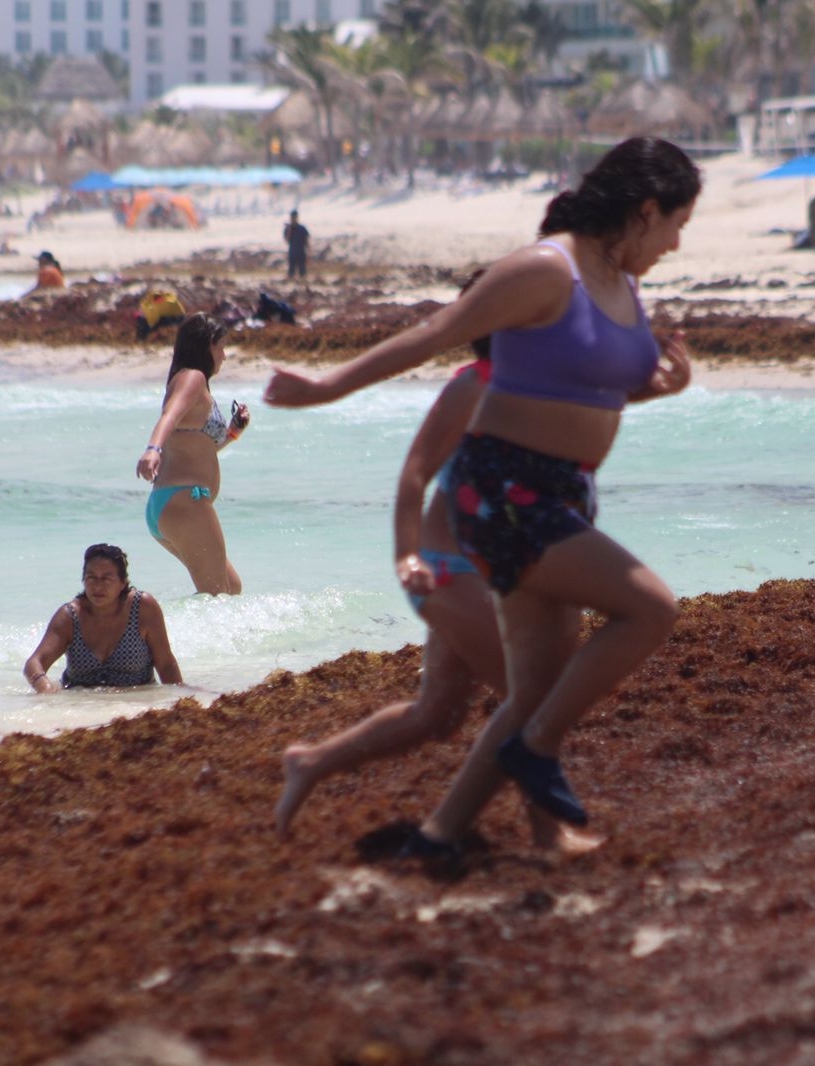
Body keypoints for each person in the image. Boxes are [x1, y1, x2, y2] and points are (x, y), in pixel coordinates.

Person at [265, 136, 699, 856]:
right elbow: (437, 332)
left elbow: (588, 389)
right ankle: (537, 751)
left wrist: (659, 387)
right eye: (677, 224)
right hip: (502, 493)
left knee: (528, 689)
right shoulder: (544, 269)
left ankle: (441, 835)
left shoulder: (623, 283)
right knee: (650, 607)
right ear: (646, 210)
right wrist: (324, 387)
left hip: (566, 494)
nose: (678, 243)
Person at [274, 275, 596, 852]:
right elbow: (414, 473)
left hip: (497, 571)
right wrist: (405, 556)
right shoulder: (474, 387)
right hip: (448, 570)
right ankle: (547, 833)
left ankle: (311, 762)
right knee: (530, 701)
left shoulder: (537, 389)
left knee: (437, 715)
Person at [136, 312, 252, 595]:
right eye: (221, 346)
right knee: (217, 596)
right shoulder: (192, 378)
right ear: (207, 345)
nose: (224, 355)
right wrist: (152, 449)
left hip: (169, 505)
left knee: (231, 587)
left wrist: (233, 432)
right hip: (185, 501)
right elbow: (169, 416)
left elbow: (201, 448)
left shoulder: (191, 382)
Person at [23, 543, 183, 692]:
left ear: (122, 583)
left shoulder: (142, 607)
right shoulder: (70, 616)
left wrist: (177, 700)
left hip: (137, 701)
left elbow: (166, 665)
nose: (98, 586)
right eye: (91, 577)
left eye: (106, 578)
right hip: (80, 705)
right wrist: (44, 688)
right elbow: (34, 663)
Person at [283, 209, 310, 280]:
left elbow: (307, 241)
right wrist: (289, 229)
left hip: (301, 252)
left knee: (302, 272)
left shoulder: (302, 228)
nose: (293, 219)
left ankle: (302, 286)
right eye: (292, 217)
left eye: (294, 217)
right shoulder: (288, 228)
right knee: (291, 272)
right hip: (292, 252)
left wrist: (309, 252)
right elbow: (286, 240)